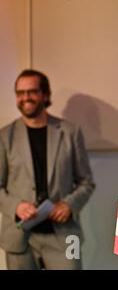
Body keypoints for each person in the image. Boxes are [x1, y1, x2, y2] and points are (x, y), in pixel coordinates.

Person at [0, 69, 95, 269]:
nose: (25, 98)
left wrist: (69, 205)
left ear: (45, 94)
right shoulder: (4, 136)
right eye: (20, 93)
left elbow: (86, 182)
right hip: (20, 238)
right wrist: (16, 206)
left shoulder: (70, 132)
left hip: (64, 235)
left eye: (32, 92)